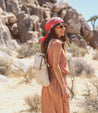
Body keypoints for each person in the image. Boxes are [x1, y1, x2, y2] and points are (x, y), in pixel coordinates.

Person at [41, 17, 70, 113]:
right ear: (53, 29)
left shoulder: (49, 42)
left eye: (64, 26)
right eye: (60, 26)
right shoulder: (57, 43)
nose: (63, 29)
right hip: (57, 83)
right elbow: (55, 66)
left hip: (48, 83)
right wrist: (64, 87)